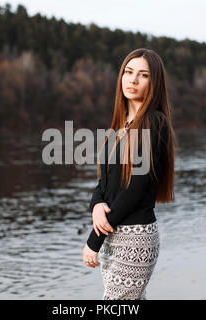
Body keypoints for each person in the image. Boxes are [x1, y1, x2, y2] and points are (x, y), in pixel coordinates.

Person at [82, 48, 177, 300]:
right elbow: (104, 182)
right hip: (114, 237)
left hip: (135, 238)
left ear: (154, 83)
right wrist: (96, 205)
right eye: (128, 72)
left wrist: (94, 239)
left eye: (143, 75)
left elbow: (134, 190)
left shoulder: (154, 123)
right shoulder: (120, 126)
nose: (133, 80)